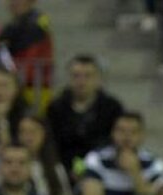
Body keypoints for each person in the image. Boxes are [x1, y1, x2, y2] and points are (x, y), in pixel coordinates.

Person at [79, 111, 163, 195]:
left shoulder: (155, 164)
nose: (127, 137)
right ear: (112, 133)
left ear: (142, 136)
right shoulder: (96, 159)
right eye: (121, 131)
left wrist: (135, 172)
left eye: (133, 132)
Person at [44, 54, 124, 182]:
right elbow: (50, 142)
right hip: (62, 170)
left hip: (103, 170)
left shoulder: (112, 108)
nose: (81, 82)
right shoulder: (55, 108)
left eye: (88, 76)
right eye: (76, 76)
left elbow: (115, 140)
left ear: (98, 79)